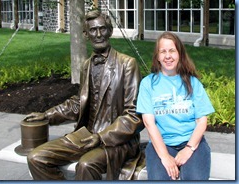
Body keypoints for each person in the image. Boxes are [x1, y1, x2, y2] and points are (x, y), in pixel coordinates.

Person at [24, 9, 144, 180]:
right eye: (93, 30)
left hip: (117, 140)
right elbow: (78, 103)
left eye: (102, 29)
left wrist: (101, 137)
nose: (98, 34)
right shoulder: (87, 65)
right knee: (36, 158)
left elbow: (134, 114)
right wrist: (46, 115)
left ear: (110, 31)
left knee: (87, 165)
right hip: (86, 134)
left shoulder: (127, 64)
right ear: (86, 34)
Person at [136, 32, 215, 180]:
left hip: (192, 143)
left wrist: (189, 149)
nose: (168, 56)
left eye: (172, 50)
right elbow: (149, 123)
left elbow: (202, 122)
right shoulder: (148, 84)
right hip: (162, 144)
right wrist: (165, 156)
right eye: (163, 51)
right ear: (157, 56)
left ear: (179, 53)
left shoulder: (193, 83)